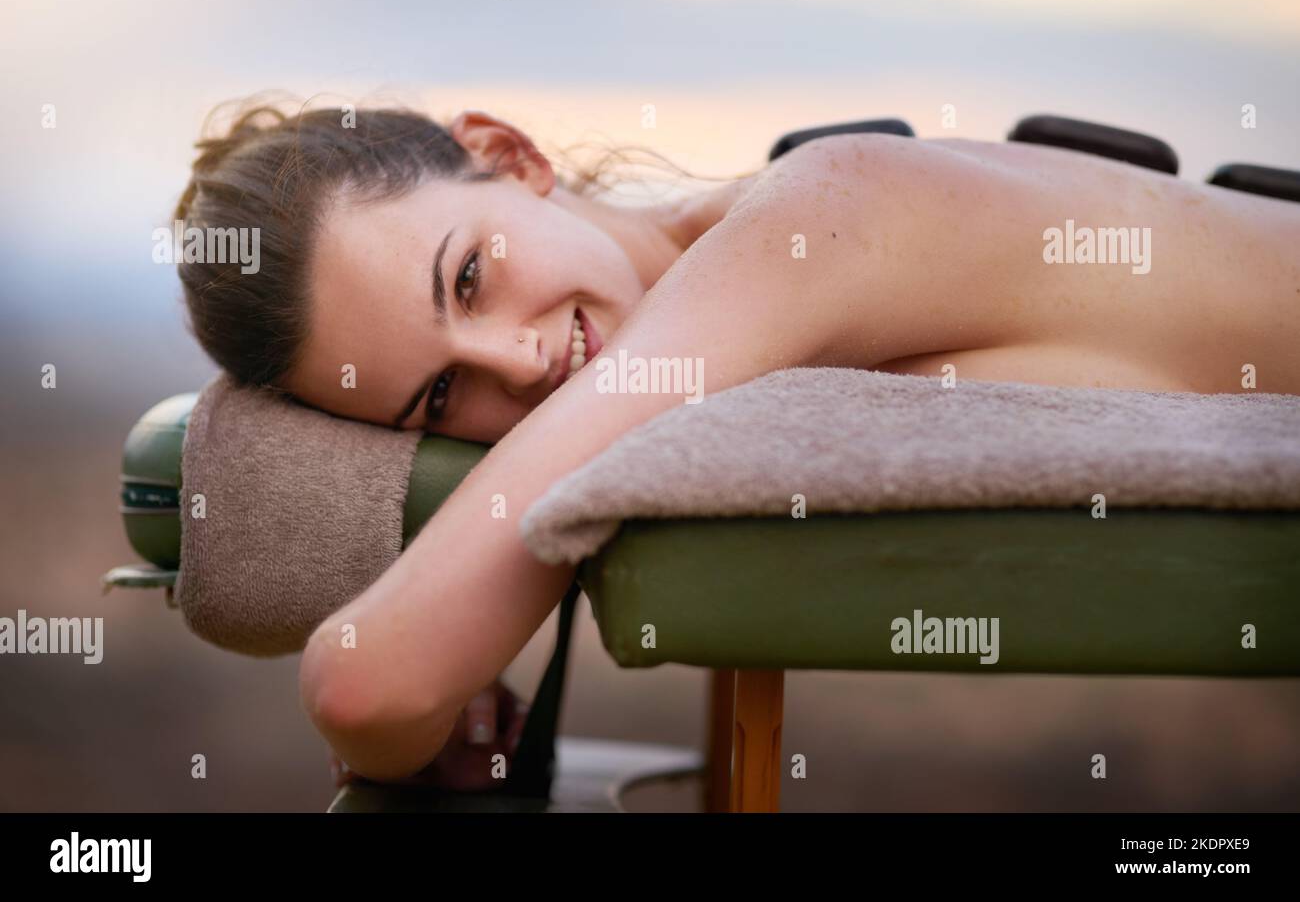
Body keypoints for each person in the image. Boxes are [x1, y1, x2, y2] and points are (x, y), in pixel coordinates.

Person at [174, 101, 1300, 785]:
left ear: (507, 154)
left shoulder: (813, 221)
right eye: (437, 398)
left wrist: (414, 717)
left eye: (468, 276)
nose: (516, 366)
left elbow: (369, 686)